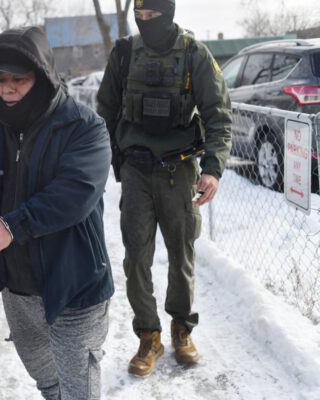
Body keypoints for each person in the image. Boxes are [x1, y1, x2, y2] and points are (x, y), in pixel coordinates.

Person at [0, 26, 114, 400]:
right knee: (46, 379)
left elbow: (75, 193)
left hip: (74, 283)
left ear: (43, 75)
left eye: (19, 79)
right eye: (0, 80)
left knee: (78, 390)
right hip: (16, 286)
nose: (8, 89)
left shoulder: (84, 127)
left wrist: (10, 225)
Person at [97, 0, 232, 377]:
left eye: (152, 16)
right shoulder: (124, 53)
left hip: (180, 170)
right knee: (136, 257)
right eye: (139, 16)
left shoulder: (193, 54)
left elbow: (219, 114)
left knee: (181, 254)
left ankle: (181, 328)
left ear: (168, 14)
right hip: (136, 170)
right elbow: (105, 111)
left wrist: (213, 170)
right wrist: (108, 161)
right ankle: (149, 335)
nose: (145, 21)